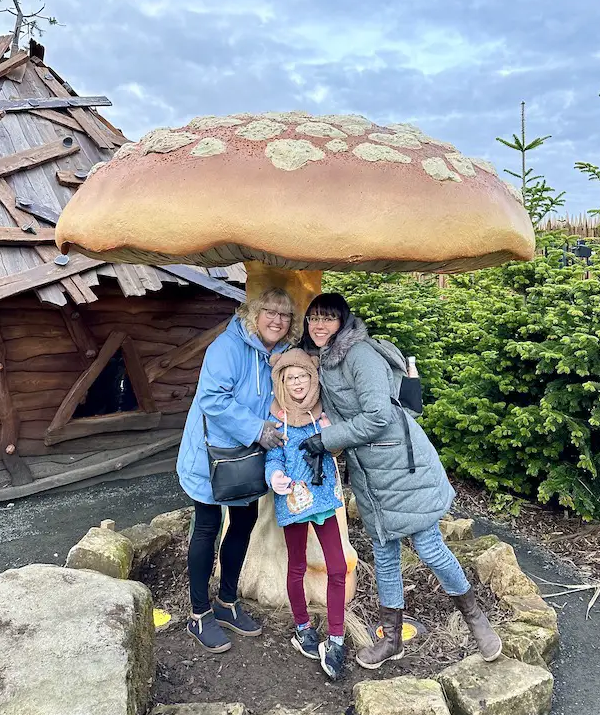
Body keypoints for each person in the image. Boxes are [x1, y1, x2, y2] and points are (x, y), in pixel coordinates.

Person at [300, 293, 502, 669]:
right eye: (314, 318)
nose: (319, 325)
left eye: (328, 318)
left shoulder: (359, 355)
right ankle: (391, 639)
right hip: (369, 472)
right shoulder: (324, 361)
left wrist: (325, 441)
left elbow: (378, 415)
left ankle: (476, 619)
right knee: (385, 555)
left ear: (342, 322)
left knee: (430, 548)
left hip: (400, 466)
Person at [177, 287, 300, 653]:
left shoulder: (279, 354)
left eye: (284, 315)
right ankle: (199, 614)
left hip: (246, 459)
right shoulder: (226, 348)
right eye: (269, 312)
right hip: (211, 456)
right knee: (207, 528)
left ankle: (227, 602)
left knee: (242, 524)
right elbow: (213, 400)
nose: (276, 320)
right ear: (253, 314)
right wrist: (257, 429)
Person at [264, 349, 348, 680]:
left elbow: (338, 449)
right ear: (282, 383)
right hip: (294, 502)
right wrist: (275, 477)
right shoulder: (277, 419)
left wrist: (331, 433)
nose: (298, 383)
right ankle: (302, 626)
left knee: (337, 565)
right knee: (297, 565)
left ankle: (337, 637)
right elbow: (273, 458)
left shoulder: (322, 414)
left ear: (313, 380)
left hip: (323, 499)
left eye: (303, 377)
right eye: (290, 378)